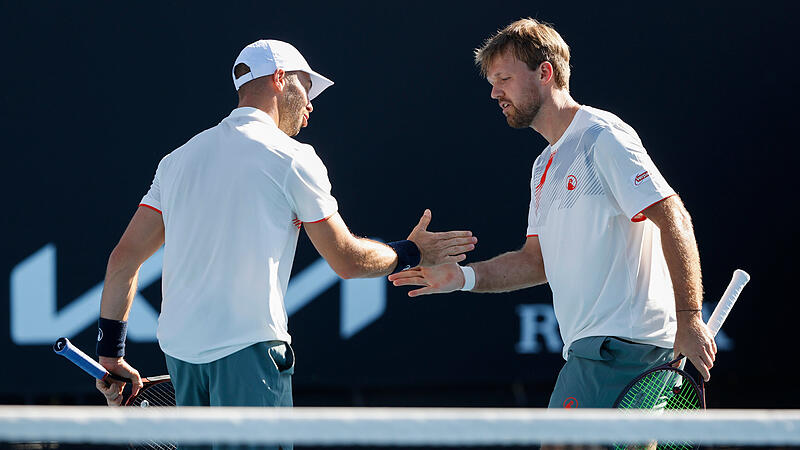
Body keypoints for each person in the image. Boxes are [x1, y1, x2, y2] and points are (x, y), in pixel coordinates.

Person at [93, 39, 477, 423]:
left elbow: (123, 259)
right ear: (279, 79)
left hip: (182, 358)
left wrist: (111, 352)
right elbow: (347, 261)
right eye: (306, 88)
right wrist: (411, 251)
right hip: (250, 354)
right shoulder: (293, 158)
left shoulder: (176, 161)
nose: (310, 105)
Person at [388, 19, 717, 409]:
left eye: (504, 79)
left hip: (629, 348)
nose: (495, 93)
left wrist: (689, 317)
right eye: (493, 82)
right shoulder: (544, 164)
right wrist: (462, 277)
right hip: (587, 351)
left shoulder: (603, 135)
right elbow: (535, 261)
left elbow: (673, 216)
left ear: (545, 73)